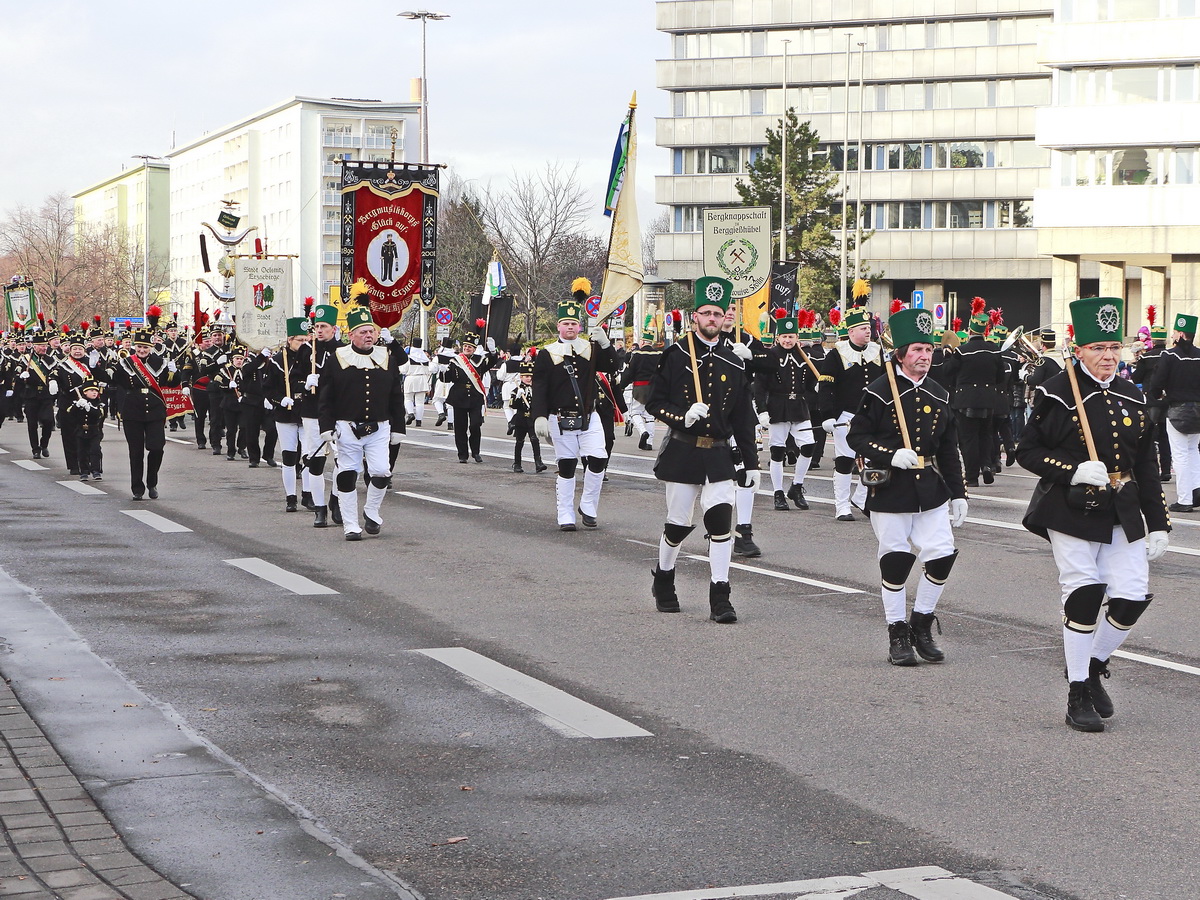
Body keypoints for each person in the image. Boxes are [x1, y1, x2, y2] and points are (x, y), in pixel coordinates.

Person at [1018, 297, 1170, 732]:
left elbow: (1145, 462)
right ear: (1079, 350)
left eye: (1113, 348)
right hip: (1071, 507)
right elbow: (1027, 451)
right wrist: (1071, 470)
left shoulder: (1131, 393)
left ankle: (1093, 661)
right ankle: (1078, 692)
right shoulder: (1058, 391)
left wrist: (1157, 522)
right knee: (1084, 591)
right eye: (1098, 348)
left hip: (1122, 506)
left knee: (1132, 597)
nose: (1107, 357)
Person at [848, 308, 969, 665]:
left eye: (929, 350)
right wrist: (889, 454)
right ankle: (897, 631)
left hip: (930, 488)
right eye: (917, 349)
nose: (924, 356)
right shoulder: (879, 389)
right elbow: (857, 436)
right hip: (890, 489)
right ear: (900, 353)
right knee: (897, 560)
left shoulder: (939, 393)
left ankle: (921, 622)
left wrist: (959, 492)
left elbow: (948, 448)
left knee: (942, 556)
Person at [646, 276, 760, 623]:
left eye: (718, 313)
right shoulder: (675, 353)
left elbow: (743, 417)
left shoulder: (735, 361)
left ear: (727, 317)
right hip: (684, 451)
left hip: (719, 454)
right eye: (706, 313)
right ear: (694, 316)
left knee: (721, 521)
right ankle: (664, 577)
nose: (713, 319)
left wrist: (752, 462)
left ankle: (720, 596)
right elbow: (654, 402)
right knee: (678, 524)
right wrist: (682, 416)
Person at [531, 279, 619, 531]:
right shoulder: (547, 354)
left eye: (574, 323)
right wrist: (539, 416)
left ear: (579, 325)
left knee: (599, 458)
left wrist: (604, 343)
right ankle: (565, 512)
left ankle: (588, 504)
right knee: (567, 466)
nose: (570, 327)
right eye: (566, 323)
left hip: (590, 417)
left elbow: (612, 366)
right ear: (559, 326)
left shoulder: (589, 348)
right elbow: (540, 387)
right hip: (560, 418)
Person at [316, 307, 405, 541]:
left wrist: (399, 428)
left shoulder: (387, 358)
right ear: (352, 335)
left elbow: (396, 395)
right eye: (363, 331)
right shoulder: (337, 358)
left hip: (380, 426)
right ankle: (350, 524)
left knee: (382, 471)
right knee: (347, 473)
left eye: (372, 331)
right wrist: (326, 426)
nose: (369, 335)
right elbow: (325, 396)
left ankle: (371, 510)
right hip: (347, 426)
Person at [817, 305, 883, 520]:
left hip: (873, 415)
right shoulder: (837, 354)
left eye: (869, 327)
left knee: (874, 460)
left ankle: (863, 498)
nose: (868, 331)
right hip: (846, 415)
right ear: (851, 331)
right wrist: (827, 415)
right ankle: (842, 506)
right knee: (845, 461)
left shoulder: (878, 351)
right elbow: (826, 386)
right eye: (863, 327)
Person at [109, 323, 182, 500]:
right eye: (139, 347)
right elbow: (110, 378)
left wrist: (176, 372)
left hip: (155, 411)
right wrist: (96, 366)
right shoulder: (125, 363)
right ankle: (137, 488)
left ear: (151, 347)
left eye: (145, 347)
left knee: (157, 448)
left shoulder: (160, 362)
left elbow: (170, 383)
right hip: (132, 411)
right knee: (136, 452)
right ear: (135, 347)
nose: (142, 350)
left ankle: (152, 482)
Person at [944, 302, 1007, 487]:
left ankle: (972, 476)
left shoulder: (961, 351)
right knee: (986, 435)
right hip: (988, 399)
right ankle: (987, 465)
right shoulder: (994, 351)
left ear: (970, 331)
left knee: (968, 438)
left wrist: (948, 356)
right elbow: (1000, 376)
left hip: (966, 399)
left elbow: (948, 372)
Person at [1148, 312, 1200, 513]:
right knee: (1193, 451)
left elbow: (1157, 383)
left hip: (1177, 410)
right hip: (1198, 411)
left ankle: (1185, 499)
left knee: (1180, 455)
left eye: (1175, 332)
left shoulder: (1169, 355)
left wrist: (1156, 397)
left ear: (1179, 335)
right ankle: (1196, 492)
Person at [438, 327, 499, 464]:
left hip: (475, 397)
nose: (467, 348)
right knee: (460, 427)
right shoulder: (455, 361)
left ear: (474, 348)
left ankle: (476, 452)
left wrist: (493, 352)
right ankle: (462, 454)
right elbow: (446, 378)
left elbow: (492, 362)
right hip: (459, 397)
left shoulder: (480, 360)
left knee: (475, 425)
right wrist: (441, 370)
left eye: (470, 347)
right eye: (465, 346)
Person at [18, 329, 56, 457]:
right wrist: (22, 376)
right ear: (34, 346)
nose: (44, 348)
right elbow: (17, 373)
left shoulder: (51, 360)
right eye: (41, 345)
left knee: (48, 421)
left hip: (45, 395)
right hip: (31, 395)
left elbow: (55, 373)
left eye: (45, 345)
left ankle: (44, 444)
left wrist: (53, 382)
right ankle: (35, 449)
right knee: (32, 424)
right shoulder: (26, 360)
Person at [508, 359, 547, 474]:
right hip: (521, 419)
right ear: (521, 377)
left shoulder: (537, 390)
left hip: (532, 419)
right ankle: (517, 463)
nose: (528, 378)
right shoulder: (517, 390)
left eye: (530, 376)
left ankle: (538, 463)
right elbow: (512, 405)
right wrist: (518, 397)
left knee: (535, 440)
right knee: (519, 441)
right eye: (526, 376)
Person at [66, 379, 106, 481]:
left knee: (95, 450)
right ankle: (84, 471)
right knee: (81, 452)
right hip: (80, 431)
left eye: (96, 391)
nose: (94, 393)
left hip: (94, 431)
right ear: (84, 392)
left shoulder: (99, 404)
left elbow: (100, 415)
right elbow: (69, 413)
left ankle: (96, 471)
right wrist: (77, 406)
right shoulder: (79, 402)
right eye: (91, 390)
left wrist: (90, 408)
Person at [400, 337, 433, 427]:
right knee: (420, 402)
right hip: (422, 379)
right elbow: (429, 371)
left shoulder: (409, 358)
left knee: (408, 398)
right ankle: (419, 421)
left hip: (410, 378)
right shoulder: (425, 359)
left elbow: (403, 370)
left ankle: (410, 413)